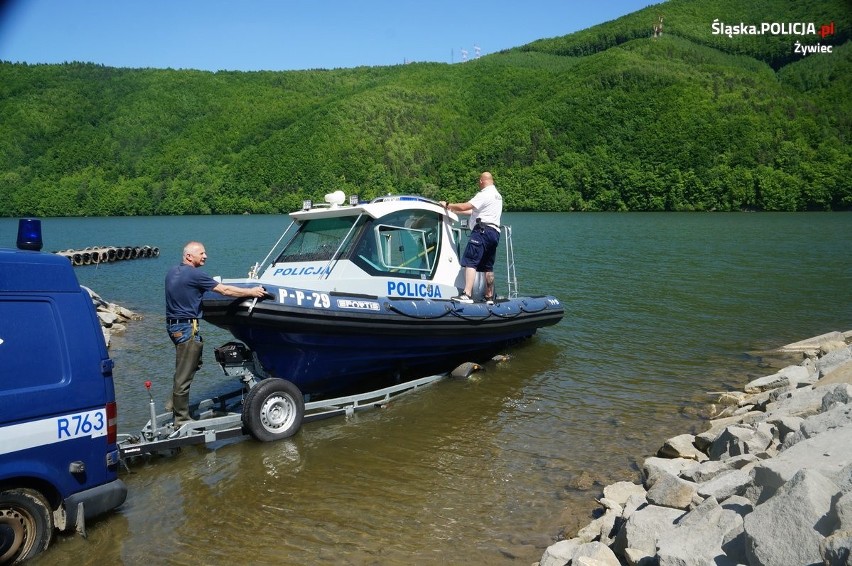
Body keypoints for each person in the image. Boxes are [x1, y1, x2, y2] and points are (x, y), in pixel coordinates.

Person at [165, 241, 267, 425]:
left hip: (174, 327)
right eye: (201, 253)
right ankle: (181, 419)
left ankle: (173, 403)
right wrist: (251, 291)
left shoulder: (172, 272)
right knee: (185, 374)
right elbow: (225, 290)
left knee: (190, 365)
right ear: (189, 256)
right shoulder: (195, 274)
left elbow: (187, 294)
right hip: (187, 328)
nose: (205, 256)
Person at [439, 171, 503, 304]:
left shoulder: (484, 194)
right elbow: (473, 211)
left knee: (470, 262)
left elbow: (465, 206)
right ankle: (489, 296)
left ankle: (466, 294)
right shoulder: (497, 196)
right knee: (488, 267)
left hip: (481, 231)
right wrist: (454, 211)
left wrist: (447, 205)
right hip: (494, 233)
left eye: (479, 182)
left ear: (481, 181)